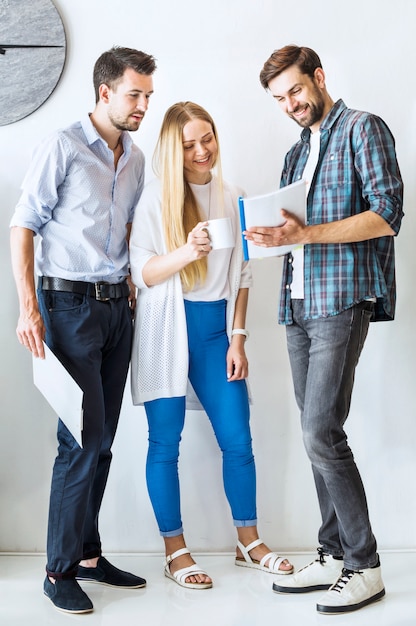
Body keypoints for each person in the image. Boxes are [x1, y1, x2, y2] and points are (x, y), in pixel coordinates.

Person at [244, 45, 404, 614]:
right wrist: (269, 238)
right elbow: (293, 229)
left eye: (295, 90)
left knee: (320, 432)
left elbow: (387, 214)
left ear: (319, 77)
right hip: (298, 304)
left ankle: (365, 565)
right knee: (318, 438)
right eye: (280, 98)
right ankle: (334, 554)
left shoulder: (363, 129)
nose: (291, 104)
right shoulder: (295, 154)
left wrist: (306, 236)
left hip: (342, 300)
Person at [10, 46, 156, 614]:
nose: (143, 103)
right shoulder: (64, 146)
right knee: (79, 442)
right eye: (134, 94)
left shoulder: (136, 157)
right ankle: (57, 569)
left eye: (147, 94)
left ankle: (89, 557)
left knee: (104, 439)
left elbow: (130, 235)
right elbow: (22, 227)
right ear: (104, 92)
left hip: (118, 309)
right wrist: (29, 308)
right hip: (67, 305)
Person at [129, 101, 293, 589]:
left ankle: (249, 541)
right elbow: (142, 273)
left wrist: (238, 339)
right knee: (165, 444)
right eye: (188, 144)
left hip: (215, 332)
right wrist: (187, 250)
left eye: (208, 138)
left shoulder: (233, 194)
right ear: (171, 151)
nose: (202, 151)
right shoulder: (155, 199)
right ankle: (174, 550)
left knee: (238, 440)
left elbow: (242, 274)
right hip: (164, 331)